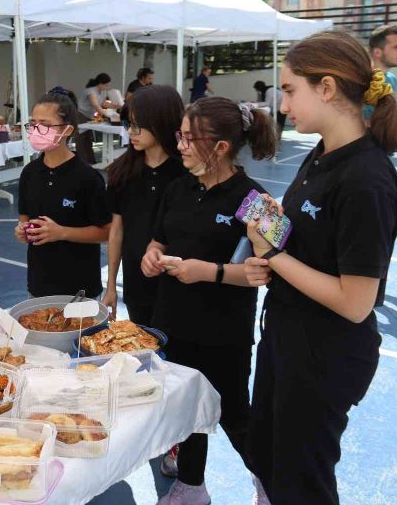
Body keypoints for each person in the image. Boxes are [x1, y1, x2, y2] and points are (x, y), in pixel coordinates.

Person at [243, 30, 397, 505]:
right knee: (269, 462)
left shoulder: (367, 180)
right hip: (286, 340)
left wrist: (274, 255)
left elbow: (355, 304)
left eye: (291, 90)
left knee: (302, 483)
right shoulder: (321, 155)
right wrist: (275, 231)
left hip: (323, 358)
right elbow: (315, 245)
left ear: (328, 88)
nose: (284, 104)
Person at [141, 97, 277, 505]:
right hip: (173, 322)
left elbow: (271, 270)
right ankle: (190, 485)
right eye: (179, 136)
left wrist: (209, 271)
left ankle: (269, 482)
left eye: (188, 138)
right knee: (185, 409)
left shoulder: (258, 199)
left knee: (234, 414)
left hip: (223, 331)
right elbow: (158, 238)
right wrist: (151, 255)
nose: (179, 145)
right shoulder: (177, 187)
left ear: (220, 146)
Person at [103, 85, 186, 326]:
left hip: (177, 284)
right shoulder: (122, 171)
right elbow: (116, 231)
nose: (131, 132)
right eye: (128, 124)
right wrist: (111, 286)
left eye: (138, 125)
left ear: (163, 122)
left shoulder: (186, 174)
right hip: (136, 283)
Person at [15, 90, 111, 298]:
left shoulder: (87, 178)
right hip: (39, 285)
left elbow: (107, 232)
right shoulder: (29, 173)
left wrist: (61, 232)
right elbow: (24, 219)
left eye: (46, 124)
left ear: (67, 130)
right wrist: (22, 230)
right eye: (33, 124)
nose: (37, 129)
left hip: (79, 288)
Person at [366, 24, 397, 133]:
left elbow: (391, 114)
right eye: (396, 47)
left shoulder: (391, 79)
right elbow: (354, 121)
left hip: (385, 147)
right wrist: (393, 126)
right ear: (377, 52)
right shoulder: (362, 79)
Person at [76, 73, 113, 164]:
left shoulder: (101, 92)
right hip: (81, 115)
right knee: (82, 140)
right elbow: (95, 105)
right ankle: (83, 163)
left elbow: (104, 104)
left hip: (88, 116)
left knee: (88, 140)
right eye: (106, 85)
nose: (108, 87)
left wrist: (119, 105)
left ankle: (91, 161)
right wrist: (107, 115)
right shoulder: (91, 91)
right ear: (100, 83)